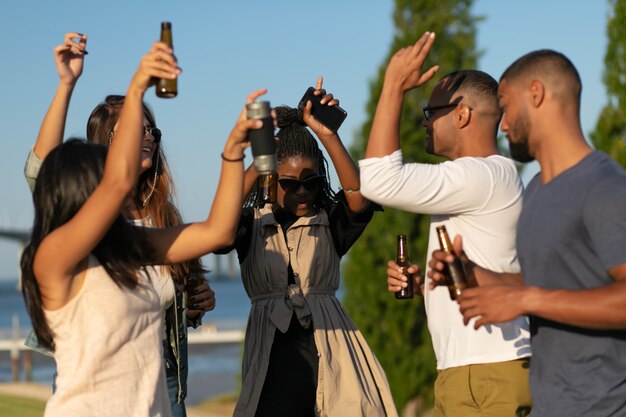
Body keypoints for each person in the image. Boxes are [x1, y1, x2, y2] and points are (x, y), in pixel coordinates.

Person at [23, 33, 214, 416]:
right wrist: (66, 84)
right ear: (101, 145)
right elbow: (40, 169)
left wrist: (195, 307)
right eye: (132, 128)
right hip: (94, 377)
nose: (146, 136)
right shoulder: (80, 212)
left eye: (151, 130)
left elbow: (174, 295)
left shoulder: (165, 216)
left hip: (164, 375)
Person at [428, 50, 626, 417]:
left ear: (535, 94)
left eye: (505, 105)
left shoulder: (605, 187)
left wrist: (527, 301)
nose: (501, 125)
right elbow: (549, 282)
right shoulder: (536, 190)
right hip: (549, 404)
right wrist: (479, 275)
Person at [358, 32, 531, 417]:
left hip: (491, 374)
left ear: (462, 114)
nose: (424, 122)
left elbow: (378, 181)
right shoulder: (477, 180)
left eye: (429, 113)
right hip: (463, 372)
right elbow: (488, 269)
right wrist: (427, 288)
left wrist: (393, 86)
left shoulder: (483, 176)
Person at [217, 78, 397, 417]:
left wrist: (328, 135)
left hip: (332, 353)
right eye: (290, 183)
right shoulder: (251, 223)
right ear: (273, 179)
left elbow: (359, 199)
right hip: (269, 361)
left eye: (311, 182)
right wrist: (258, 163)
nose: (303, 191)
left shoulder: (329, 221)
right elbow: (219, 230)